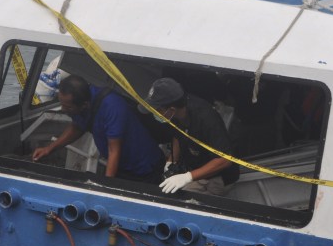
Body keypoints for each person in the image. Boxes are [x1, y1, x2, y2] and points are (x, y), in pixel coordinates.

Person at [32, 75, 165, 182]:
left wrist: (104, 189)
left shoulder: (112, 107)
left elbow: (114, 151)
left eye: (68, 107)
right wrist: (49, 149)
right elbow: (78, 126)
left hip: (144, 168)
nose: (63, 109)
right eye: (62, 105)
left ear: (85, 105)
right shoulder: (84, 101)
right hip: (120, 166)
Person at [140, 77, 240, 195]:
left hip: (218, 175)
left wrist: (187, 177)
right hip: (194, 165)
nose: (154, 113)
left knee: (187, 200)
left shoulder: (207, 120)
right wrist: (172, 161)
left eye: (157, 110)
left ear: (171, 110)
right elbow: (178, 134)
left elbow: (225, 160)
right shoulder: (175, 114)